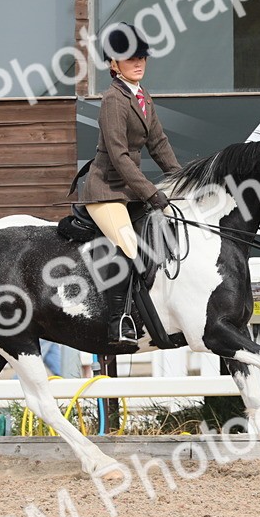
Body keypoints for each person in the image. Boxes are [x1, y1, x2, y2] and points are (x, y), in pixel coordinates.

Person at [70, 22, 182, 341]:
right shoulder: (112, 100)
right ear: (113, 64)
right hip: (106, 192)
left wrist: (182, 181)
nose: (138, 63)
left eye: (142, 57)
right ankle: (118, 321)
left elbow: (158, 143)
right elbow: (119, 157)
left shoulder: (143, 96)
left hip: (129, 192)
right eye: (130, 58)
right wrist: (152, 193)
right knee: (130, 247)